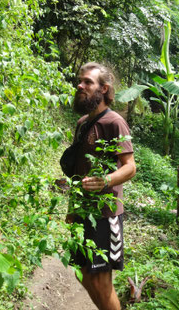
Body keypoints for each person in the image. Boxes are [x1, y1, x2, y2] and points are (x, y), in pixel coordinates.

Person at [66, 62, 136, 310]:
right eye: (80, 81)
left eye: (87, 82)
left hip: (106, 216)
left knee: (101, 281)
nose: (80, 85)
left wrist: (106, 180)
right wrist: (72, 208)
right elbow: (78, 169)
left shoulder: (114, 122)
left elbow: (130, 166)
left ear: (103, 89)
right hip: (84, 212)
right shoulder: (83, 122)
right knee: (81, 273)